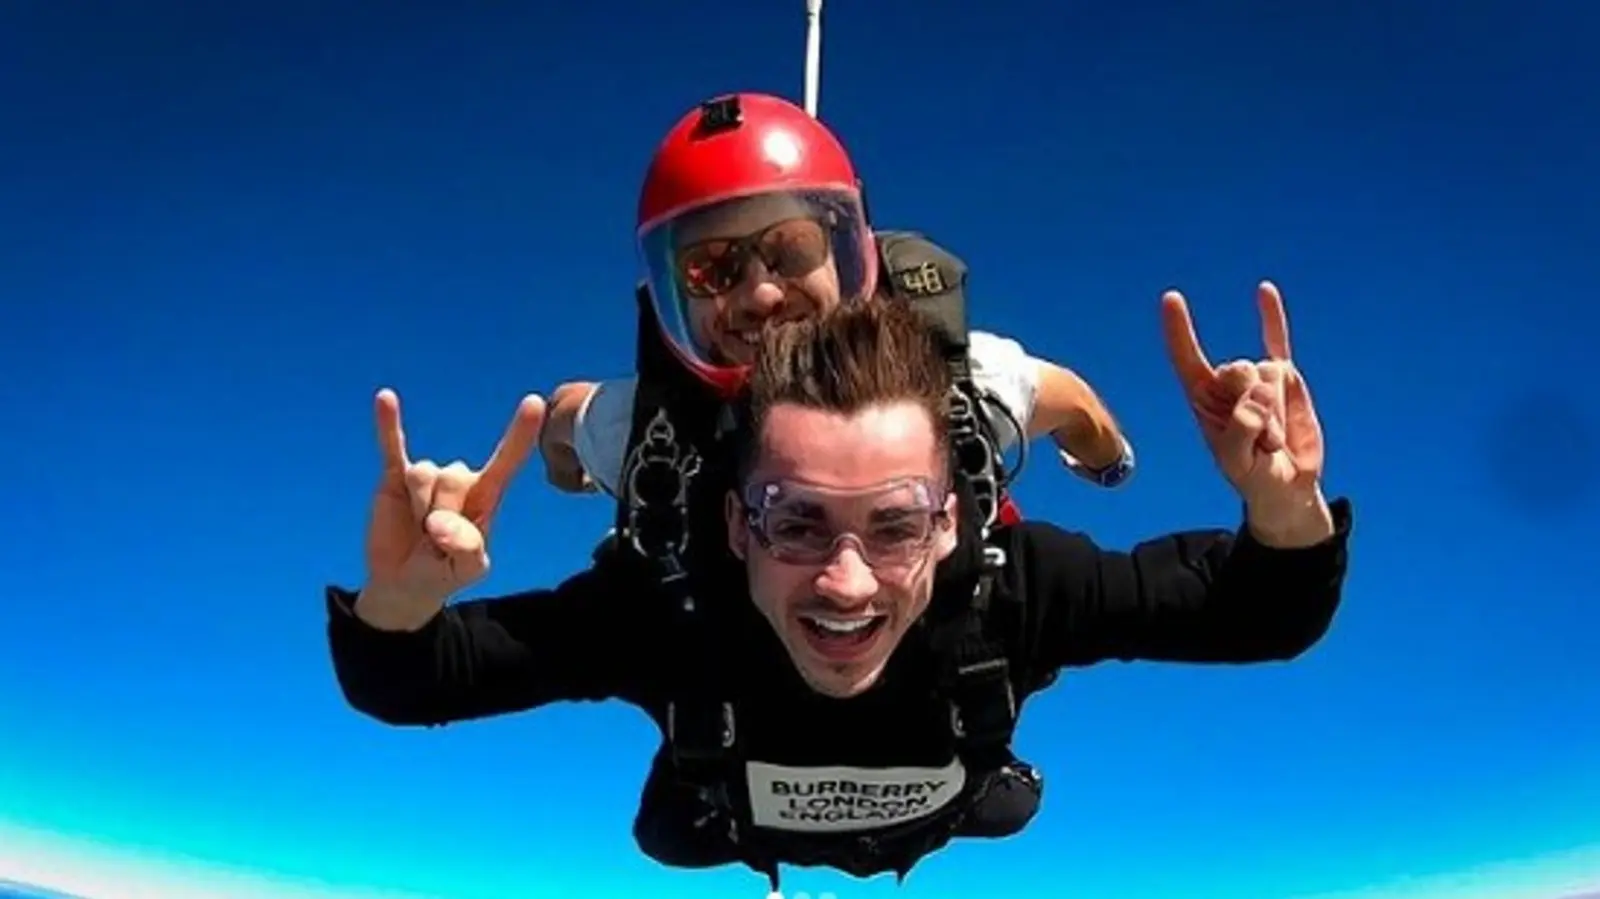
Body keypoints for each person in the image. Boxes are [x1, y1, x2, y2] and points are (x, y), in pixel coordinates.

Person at [326, 280, 1353, 890]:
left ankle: (964, 790)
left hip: (943, 792)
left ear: (952, 521)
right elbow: (409, 681)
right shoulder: (675, 600)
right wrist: (408, 596)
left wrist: (1281, 505)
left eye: (896, 524)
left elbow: (1258, 611)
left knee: (995, 802)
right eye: (797, 522)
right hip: (727, 808)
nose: (846, 581)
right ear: (735, 522)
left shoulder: (1011, 587)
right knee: (668, 833)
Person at [533, 92, 1137, 533]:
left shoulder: (960, 391)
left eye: (791, 250)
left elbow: (1072, 401)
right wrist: (1107, 464)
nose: (760, 295)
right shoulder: (641, 436)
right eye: (709, 270)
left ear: (849, 251)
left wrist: (575, 475)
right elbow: (557, 416)